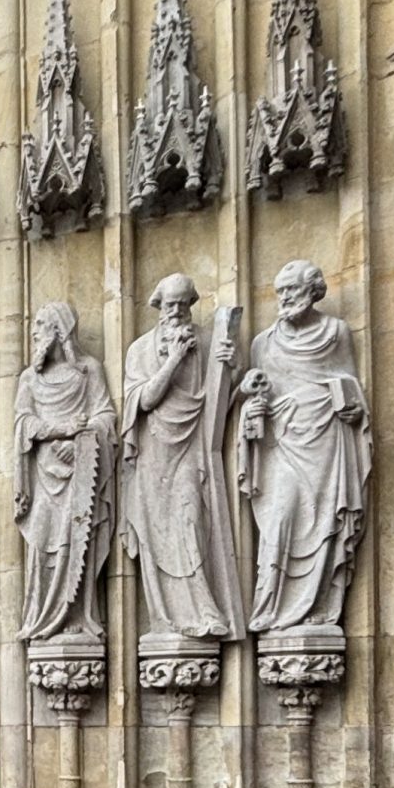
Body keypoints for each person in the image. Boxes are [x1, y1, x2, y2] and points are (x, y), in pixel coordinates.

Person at [237, 261, 371, 634]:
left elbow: (348, 382)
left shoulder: (336, 332)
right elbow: (255, 395)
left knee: (326, 523)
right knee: (279, 517)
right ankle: (273, 607)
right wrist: (250, 409)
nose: (284, 298)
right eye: (280, 291)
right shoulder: (263, 342)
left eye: (291, 290)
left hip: (326, 443)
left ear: (313, 291)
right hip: (281, 443)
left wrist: (354, 408)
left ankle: (318, 607)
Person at [120, 272, 242, 638]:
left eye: (182, 304)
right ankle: (166, 619)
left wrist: (232, 369)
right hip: (153, 453)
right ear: (158, 306)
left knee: (191, 520)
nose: (175, 311)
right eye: (169, 305)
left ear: (191, 305)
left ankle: (204, 609)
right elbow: (144, 400)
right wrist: (174, 359)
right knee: (156, 532)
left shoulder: (206, 341)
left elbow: (219, 403)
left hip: (192, 449)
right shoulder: (140, 349)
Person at [13, 303, 117, 643]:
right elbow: (23, 422)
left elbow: (105, 416)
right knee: (43, 541)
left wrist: (82, 440)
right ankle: (42, 616)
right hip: (44, 473)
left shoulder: (89, 371)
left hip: (79, 472)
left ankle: (76, 615)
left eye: (41, 324)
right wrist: (60, 430)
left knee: (76, 538)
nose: (34, 332)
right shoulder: (30, 379)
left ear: (59, 330)